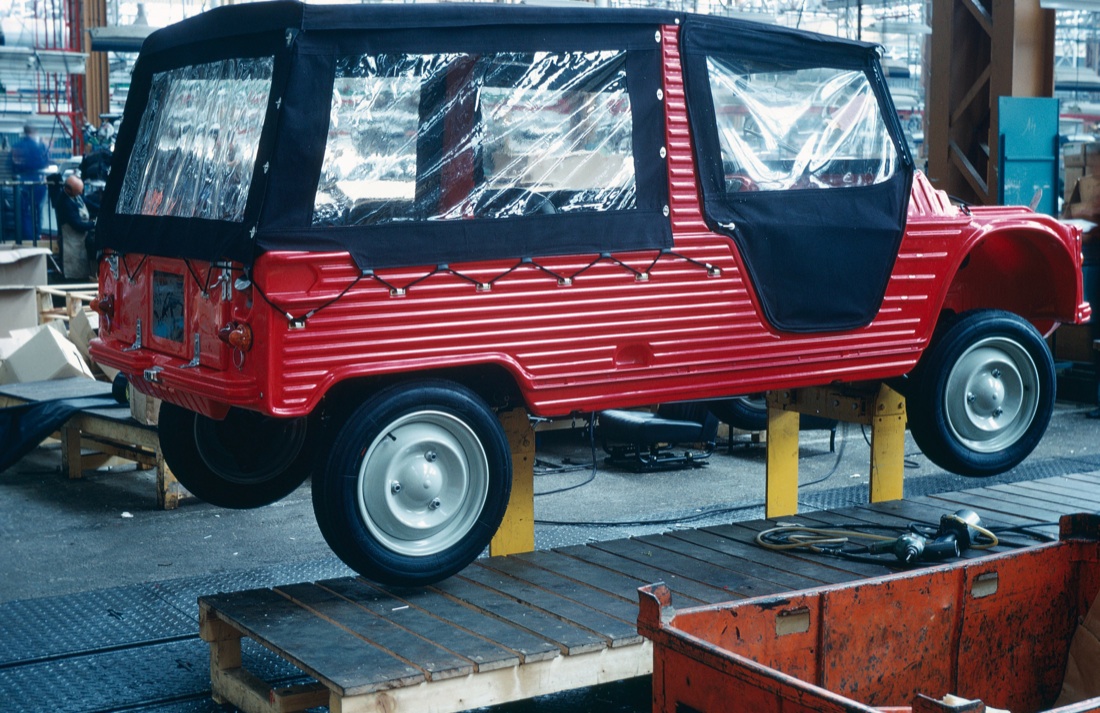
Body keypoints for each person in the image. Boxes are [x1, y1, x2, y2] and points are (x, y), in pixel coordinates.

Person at [9, 124, 50, 244]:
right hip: (37, 183)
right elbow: (43, 163)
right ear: (34, 133)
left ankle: (25, 237)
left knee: (24, 212)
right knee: (37, 211)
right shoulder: (37, 147)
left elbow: (11, 164)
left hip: (20, 184)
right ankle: (36, 236)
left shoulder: (16, 146)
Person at [54, 175, 96, 279]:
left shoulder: (76, 195)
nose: (81, 193)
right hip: (71, 242)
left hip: (81, 240)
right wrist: (95, 223)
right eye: (78, 191)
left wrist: (103, 209)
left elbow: (90, 204)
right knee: (74, 272)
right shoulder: (64, 203)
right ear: (68, 190)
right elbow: (78, 225)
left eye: (81, 191)